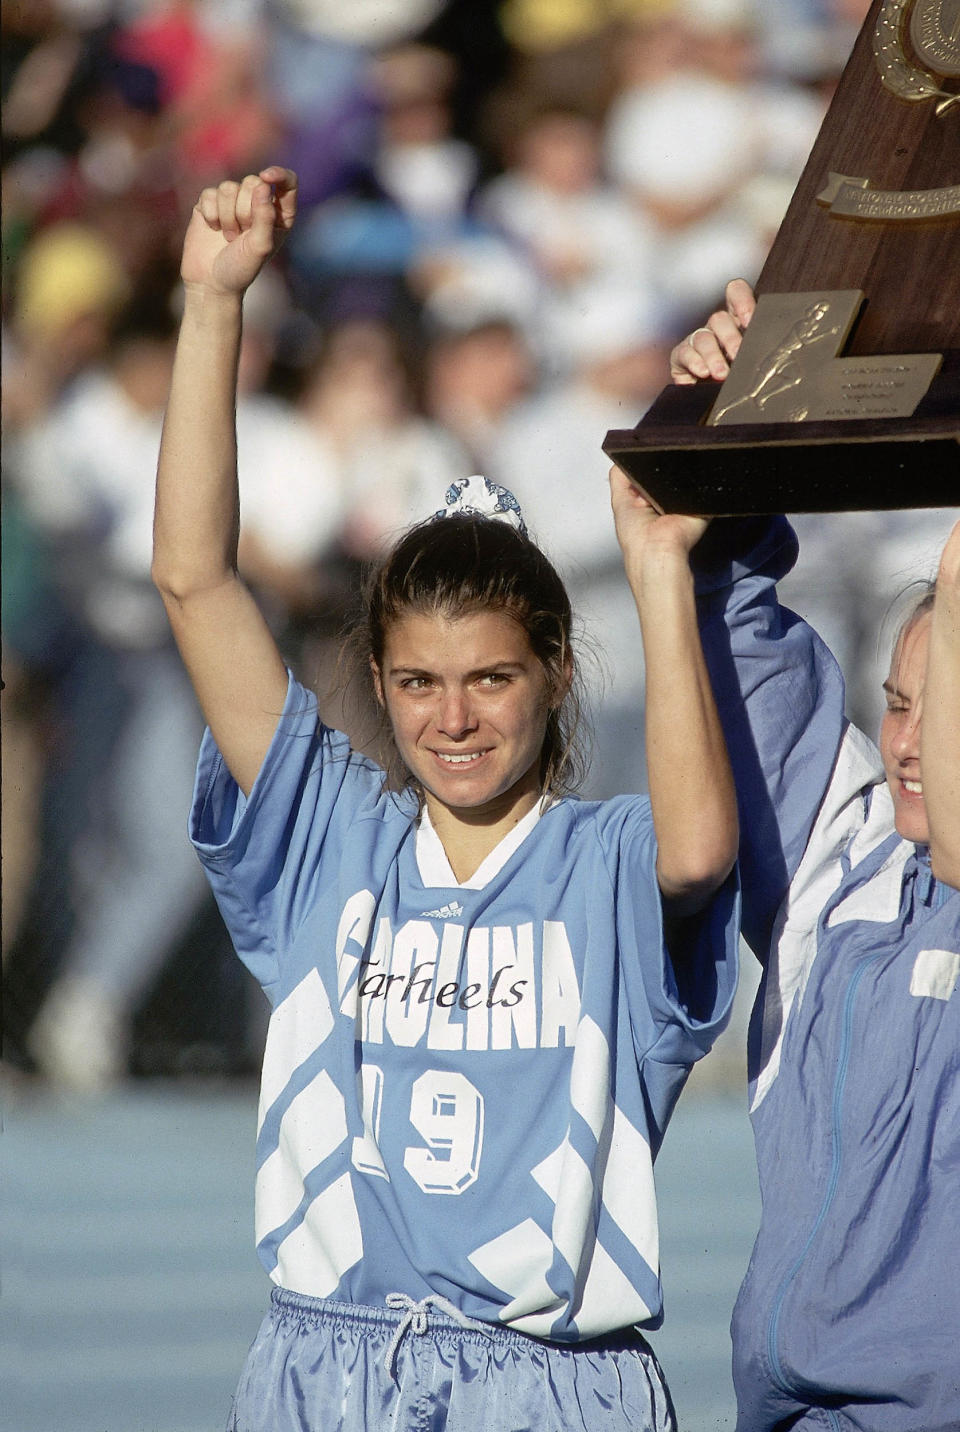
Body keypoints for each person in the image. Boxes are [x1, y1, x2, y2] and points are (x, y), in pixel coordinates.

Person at [152, 166, 741, 1431]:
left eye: (490, 679)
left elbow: (697, 854)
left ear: (556, 675)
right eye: (417, 682)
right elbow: (197, 583)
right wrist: (213, 306)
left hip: (550, 1385)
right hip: (329, 1368)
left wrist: (657, 570)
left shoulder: (604, 863)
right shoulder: (333, 840)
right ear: (376, 678)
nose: (452, 718)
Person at [670, 282, 960, 1432]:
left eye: (937, 711)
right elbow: (735, 628)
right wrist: (739, 401)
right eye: (893, 703)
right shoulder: (841, 865)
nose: (904, 743)